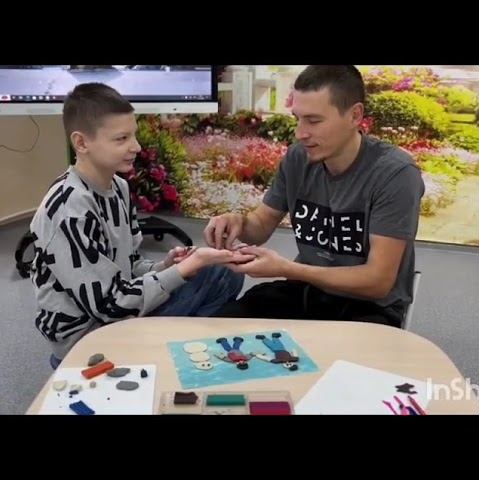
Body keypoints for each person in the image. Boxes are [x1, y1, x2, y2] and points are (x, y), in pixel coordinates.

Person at [30, 83, 251, 368]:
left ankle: (170, 352)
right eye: (121, 138)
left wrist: (166, 266)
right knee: (211, 272)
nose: (136, 146)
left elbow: (129, 266)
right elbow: (110, 306)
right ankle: (162, 354)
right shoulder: (69, 208)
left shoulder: (118, 188)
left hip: (117, 311)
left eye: (133, 135)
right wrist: (185, 269)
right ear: (81, 143)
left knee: (224, 271)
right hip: (91, 336)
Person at [205, 65, 425, 328]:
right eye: (298, 118)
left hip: (369, 307)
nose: (300, 133)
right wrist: (238, 222)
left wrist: (287, 269)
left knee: (331, 353)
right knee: (223, 327)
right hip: (308, 290)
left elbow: (377, 282)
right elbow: (260, 226)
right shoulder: (298, 158)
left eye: (314, 121)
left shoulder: (395, 174)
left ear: (355, 115)